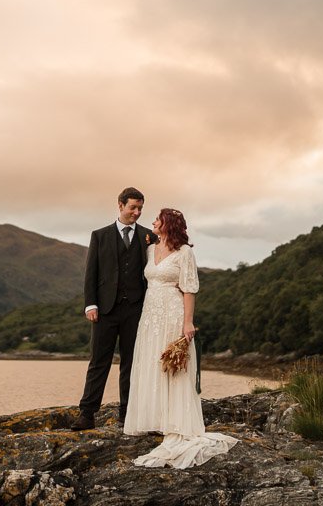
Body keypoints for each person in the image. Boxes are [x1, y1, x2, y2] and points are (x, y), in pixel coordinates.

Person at [123, 207, 237, 468]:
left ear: (168, 224)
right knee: (153, 363)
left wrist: (187, 322)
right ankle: (157, 417)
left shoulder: (185, 253)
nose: (151, 221)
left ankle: (177, 421)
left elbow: (189, 289)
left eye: (157, 218)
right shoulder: (150, 250)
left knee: (175, 368)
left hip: (173, 313)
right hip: (150, 314)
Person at [73, 186, 156, 431]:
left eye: (140, 208)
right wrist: (91, 303)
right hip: (105, 310)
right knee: (99, 361)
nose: (137, 212)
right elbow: (92, 273)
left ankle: (126, 413)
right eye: (133, 207)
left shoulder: (148, 235)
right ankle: (87, 414)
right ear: (120, 205)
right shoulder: (100, 236)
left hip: (135, 309)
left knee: (131, 363)